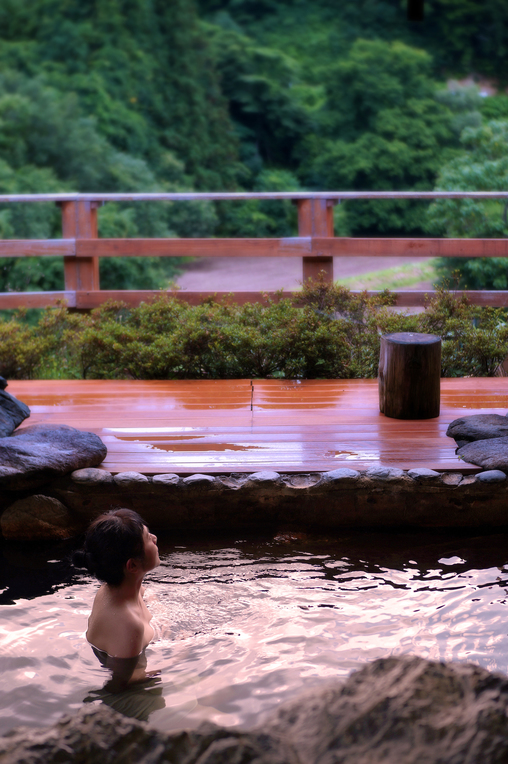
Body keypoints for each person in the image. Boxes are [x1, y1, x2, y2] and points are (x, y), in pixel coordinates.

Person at [73, 508, 160, 687]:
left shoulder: (112, 589)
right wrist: (182, 656)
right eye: (147, 538)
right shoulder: (129, 624)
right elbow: (123, 681)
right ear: (132, 565)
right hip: (133, 699)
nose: (154, 538)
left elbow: (147, 593)